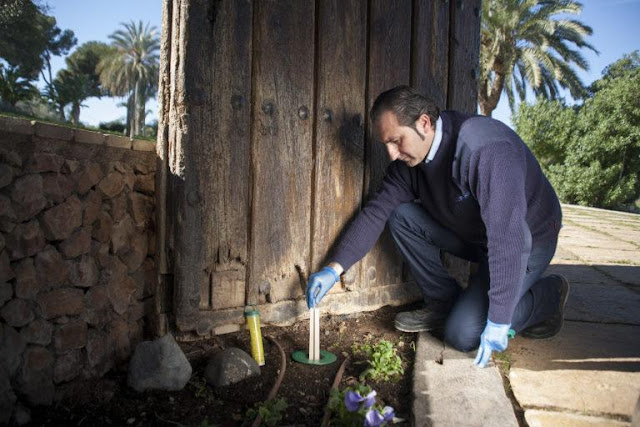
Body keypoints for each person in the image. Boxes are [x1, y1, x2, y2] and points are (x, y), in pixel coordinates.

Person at [305, 85, 570, 368]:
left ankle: (548, 295)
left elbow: (509, 238)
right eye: (386, 145)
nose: (392, 154)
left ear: (424, 123)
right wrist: (334, 269)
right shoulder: (408, 167)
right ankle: (444, 303)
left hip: (528, 238)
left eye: (396, 141)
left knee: (464, 333)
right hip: (480, 238)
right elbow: (375, 213)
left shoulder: (485, 148)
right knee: (401, 215)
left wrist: (500, 318)